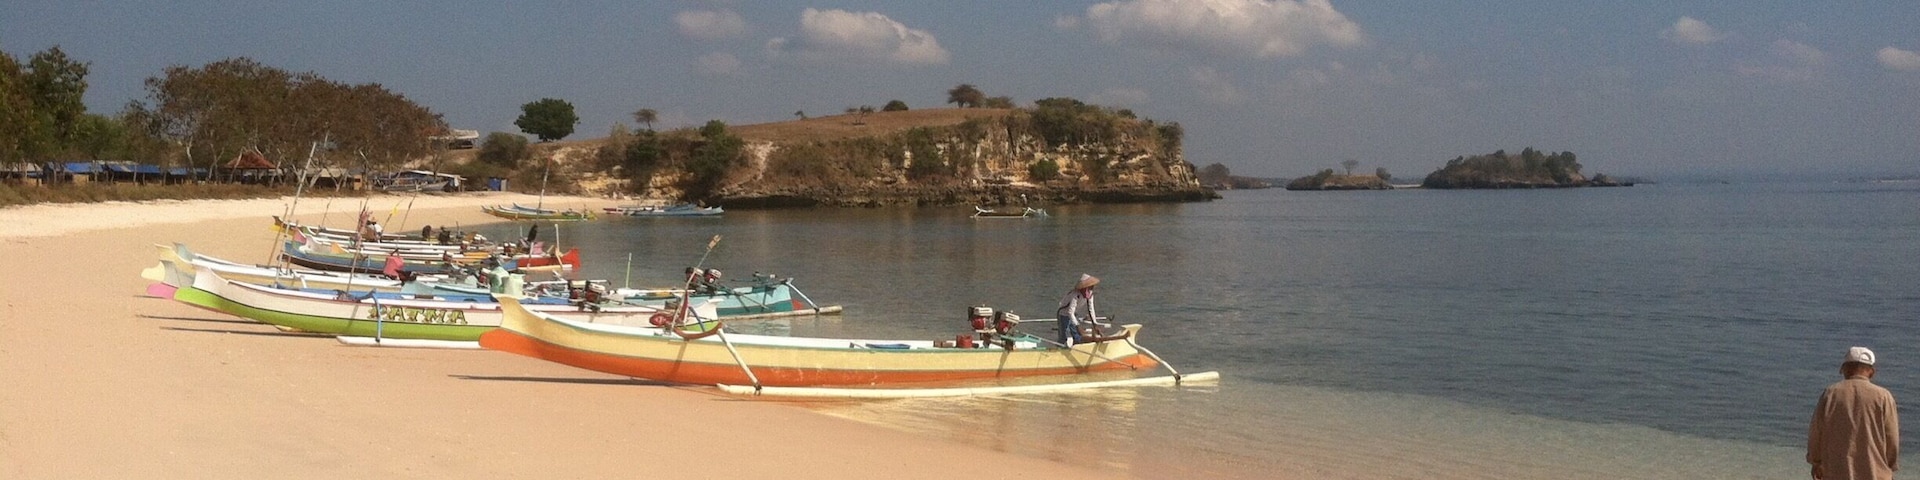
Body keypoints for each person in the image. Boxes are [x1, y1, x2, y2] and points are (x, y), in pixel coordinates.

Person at [1809, 346, 1900, 480]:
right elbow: (1892, 436)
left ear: (1845, 369)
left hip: (1835, 471)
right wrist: (1890, 466)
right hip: (1874, 472)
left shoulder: (1831, 394)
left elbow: (1816, 431)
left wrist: (1816, 462)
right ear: (1872, 372)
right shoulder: (1883, 397)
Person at [1055, 274, 1099, 346]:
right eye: (1090, 287)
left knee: (1076, 335)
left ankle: (1076, 345)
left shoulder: (1090, 294)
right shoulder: (1075, 295)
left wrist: (1095, 324)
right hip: (1063, 314)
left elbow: (1091, 309)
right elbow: (1070, 312)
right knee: (1063, 335)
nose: (1091, 289)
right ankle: (1060, 347)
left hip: (1074, 314)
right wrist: (1078, 326)